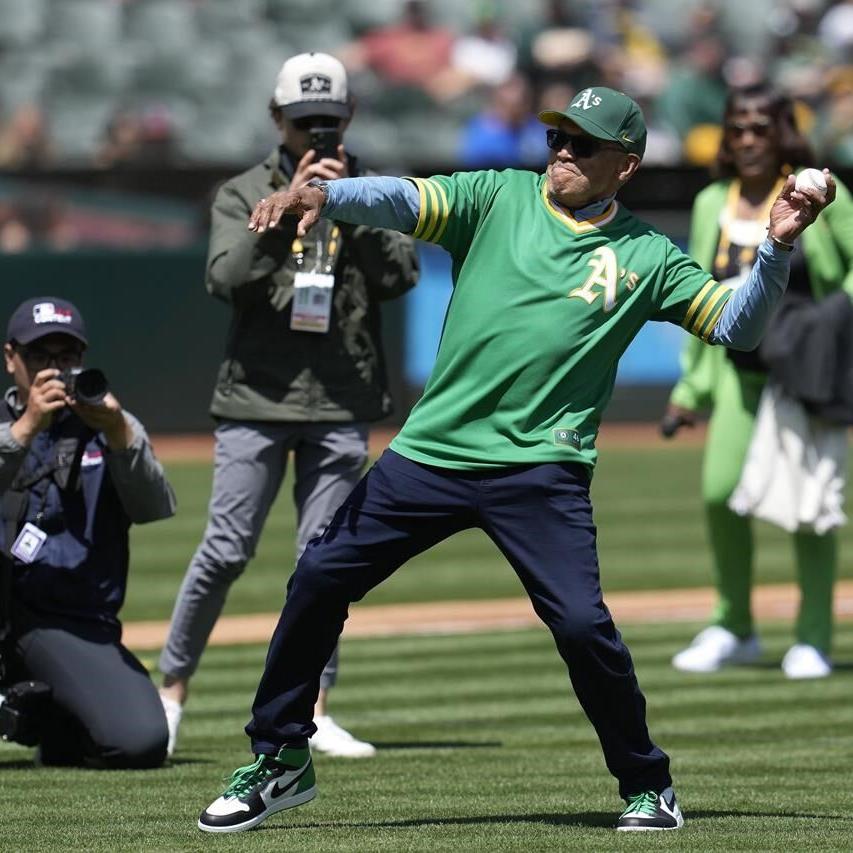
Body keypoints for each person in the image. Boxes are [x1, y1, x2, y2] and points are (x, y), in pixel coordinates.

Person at [197, 85, 834, 834]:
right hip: (430, 454)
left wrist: (777, 245)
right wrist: (327, 195)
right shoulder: (495, 196)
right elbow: (403, 198)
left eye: (582, 144)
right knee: (317, 576)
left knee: (578, 625)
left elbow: (736, 326)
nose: (562, 151)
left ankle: (646, 782)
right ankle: (280, 757)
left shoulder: (645, 255)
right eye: (556, 137)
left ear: (624, 167)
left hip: (540, 469)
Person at [157, 52, 419, 759]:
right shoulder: (242, 191)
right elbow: (225, 277)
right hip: (258, 395)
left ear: (351, 116)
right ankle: (172, 690)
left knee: (323, 559)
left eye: (329, 121)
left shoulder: (372, 188)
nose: (318, 134)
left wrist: (347, 205)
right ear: (278, 120)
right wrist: (287, 212)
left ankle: (315, 708)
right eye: (305, 122)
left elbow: (402, 274)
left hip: (339, 396)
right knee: (225, 548)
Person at [664, 85, 853, 679]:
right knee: (721, 494)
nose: (748, 139)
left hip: (804, 377)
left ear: (783, 134)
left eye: (761, 127)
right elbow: (697, 297)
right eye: (737, 127)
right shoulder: (709, 203)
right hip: (737, 377)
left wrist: (834, 319)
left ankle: (814, 638)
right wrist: (690, 390)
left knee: (808, 509)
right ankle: (735, 625)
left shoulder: (818, 193)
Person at [0, 296, 176, 768]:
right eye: (41, 356)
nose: (54, 370)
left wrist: (119, 434)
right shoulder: (6, 425)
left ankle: (56, 722)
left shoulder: (108, 423)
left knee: (139, 741)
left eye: (68, 356)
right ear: (10, 357)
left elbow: (156, 506)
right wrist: (25, 430)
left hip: (76, 623)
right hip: (10, 612)